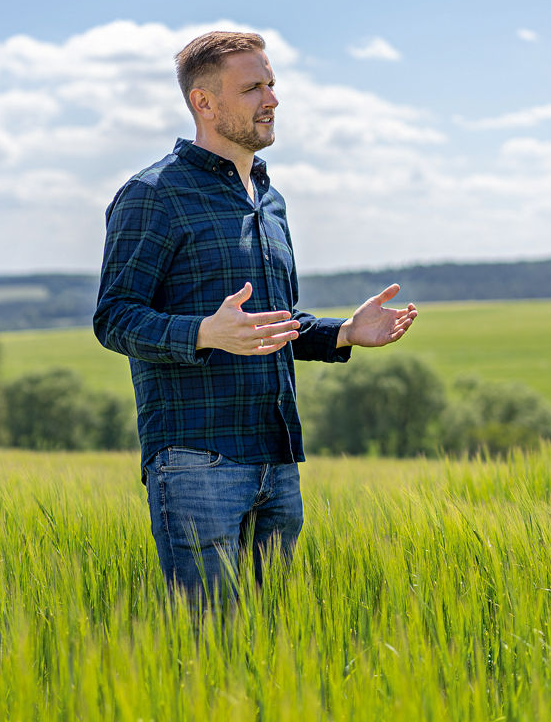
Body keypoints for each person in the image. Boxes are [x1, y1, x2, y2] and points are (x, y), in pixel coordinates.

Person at [93, 30, 417, 605]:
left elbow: (274, 320)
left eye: (271, 84)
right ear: (205, 103)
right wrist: (201, 332)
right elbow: (114, 317)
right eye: (253, 88)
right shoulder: (154, 194)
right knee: (209, 646)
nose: (271, 99)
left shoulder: (269, 200)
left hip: (277, 456)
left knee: (271, 641)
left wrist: (343, 332)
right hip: (197, 461)